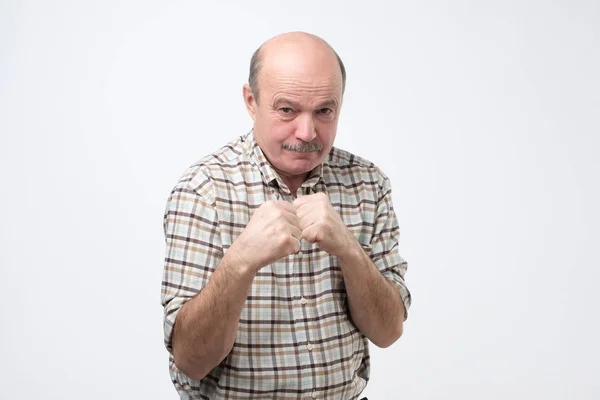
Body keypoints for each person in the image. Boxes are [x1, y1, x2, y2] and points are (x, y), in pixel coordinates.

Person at [161, 31, 411, 400]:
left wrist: (350, 251)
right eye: (287, 110)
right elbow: (190, 361)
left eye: (324, 110)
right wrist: (240, 262)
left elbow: (388, 332)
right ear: (251, 101)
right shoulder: (204, 190)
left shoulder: (368, 184)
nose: (307, 132)